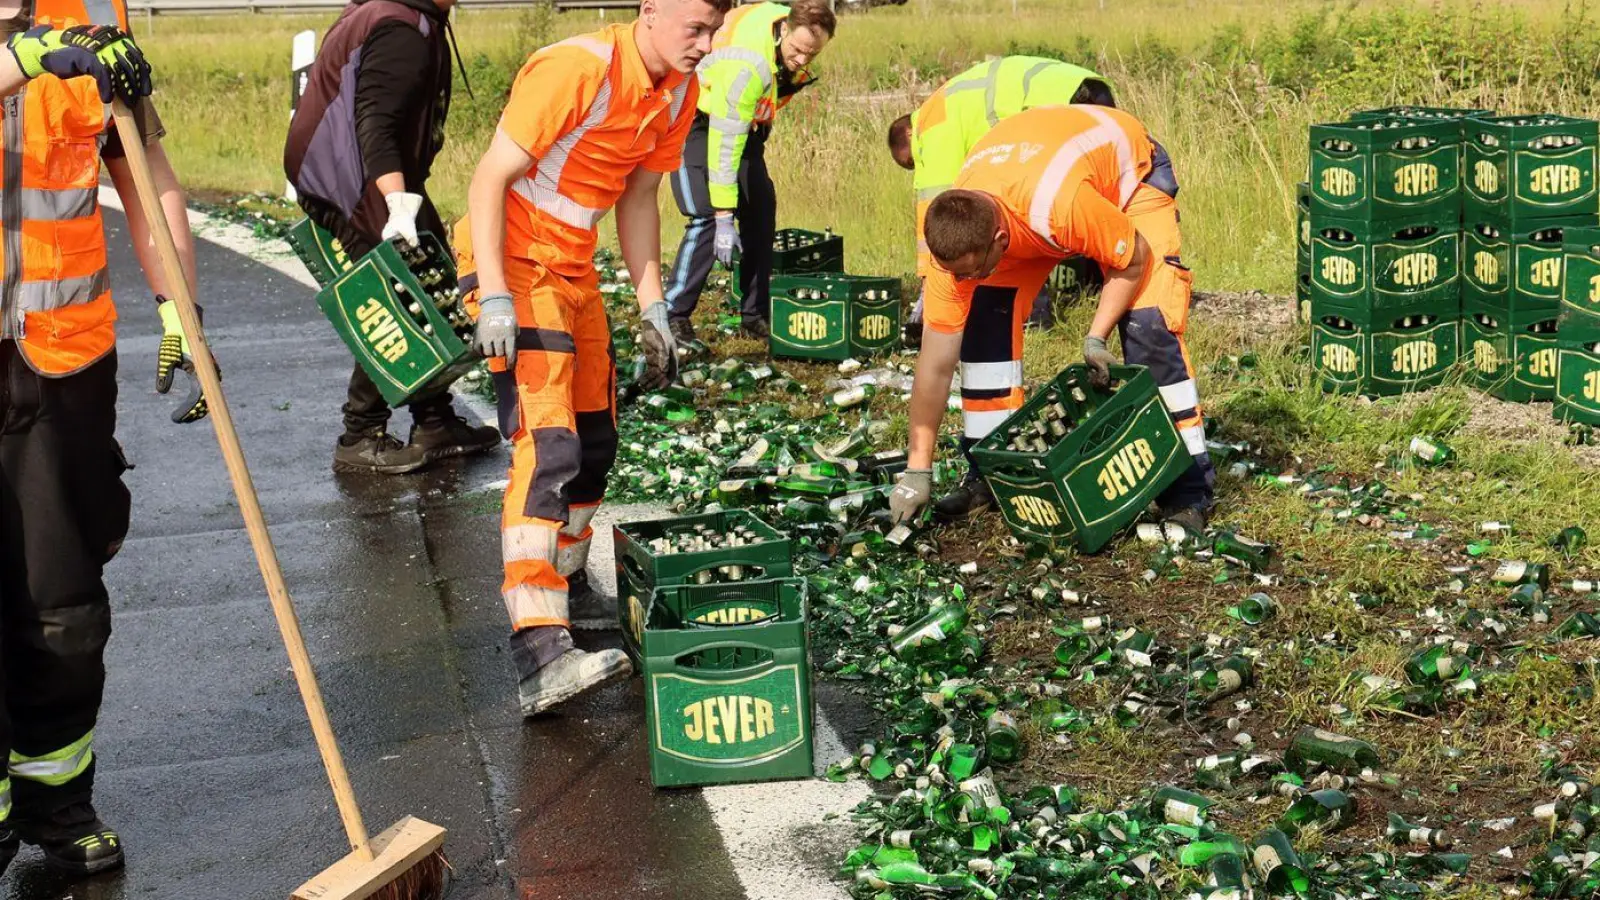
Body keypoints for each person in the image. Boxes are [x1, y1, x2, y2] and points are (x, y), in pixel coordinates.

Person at [457, 0, 732, 716]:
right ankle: (540, 649)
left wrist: (653, 307)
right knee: (548, 445)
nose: (706, 44)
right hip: (515, 263)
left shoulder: (678, 88)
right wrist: (494, 296)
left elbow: (639, 198)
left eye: (715, 30)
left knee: (596, 441)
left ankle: (569, 581)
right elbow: (489, 179)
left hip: (572, 270)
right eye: (695, 27)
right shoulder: (577, 70)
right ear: (650, 10)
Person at [0, 12, 195, 877]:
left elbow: (149, 180)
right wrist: (20, 61)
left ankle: (57, 804)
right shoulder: (40, 52)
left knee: (64, 603)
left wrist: (181, 306)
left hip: (62, 370)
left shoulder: (87, 43)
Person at [885, 105, 1213, 528]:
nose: (961, 281)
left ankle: (1187, 488)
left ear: (999, 240)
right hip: (1030, 190)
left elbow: (1134, 259)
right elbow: (934, 365)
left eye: (971, 271)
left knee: (1149, 324)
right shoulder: (954, 249)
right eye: (957, 274)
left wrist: (1096, 337)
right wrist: (917, 470)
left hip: (1128, 180)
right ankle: (992, 473)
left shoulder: (1059, 206)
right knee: (984, 324)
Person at [284, 0, 500, 475]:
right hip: (351, 176)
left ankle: (435, 421)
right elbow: (375, 122)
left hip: (353, 169)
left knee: (428, 280)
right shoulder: (401, 29)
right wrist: (397, 204)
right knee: (398, 295)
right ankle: (360, 435)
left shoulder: (400, 12)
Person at [888, 55, 1114, 347]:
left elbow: (937, 207)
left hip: (1059, 106)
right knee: (1099, 201)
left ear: (908, 133)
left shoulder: (931, 127)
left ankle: (1035, 321)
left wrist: (928, 286)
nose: (916, 167)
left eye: (911, 162)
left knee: (1016, 225)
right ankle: (1098, 297)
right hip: (1085, 88)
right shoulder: (950, 103)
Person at [663, 0, 834, 343]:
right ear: (783, 29)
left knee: (760, 210)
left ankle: (754, 314)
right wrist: (725, 214)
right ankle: (672, 315)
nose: (802, 60)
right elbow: (724, 145)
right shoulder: (747, 65)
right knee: (706, 216)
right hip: (691, 118)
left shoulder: (785, 22)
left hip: (740, 120)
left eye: (812, 54)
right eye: (798, 50)